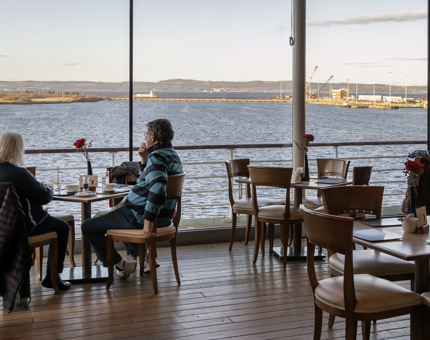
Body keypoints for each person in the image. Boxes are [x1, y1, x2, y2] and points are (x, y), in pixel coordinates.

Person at [81, 119, 183, 278]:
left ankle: (121, 266)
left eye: (147, 134)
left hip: (141, 217)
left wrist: (148, 220)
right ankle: (146, 257)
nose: (146, 138)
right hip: (163, 218)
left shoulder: (157, 157)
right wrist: (144, 159)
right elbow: (151, 179)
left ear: (153, 136)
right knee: (119, 215)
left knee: (88, 226)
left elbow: (158, 188)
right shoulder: (172, 155)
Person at [0, 132, 71, 291]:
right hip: (26, 224)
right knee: (63, 228)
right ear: (18, 148)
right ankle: (52, 278)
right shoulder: (19, 173)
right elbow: (44, 197)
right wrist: (49, 189)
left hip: (4, 226)